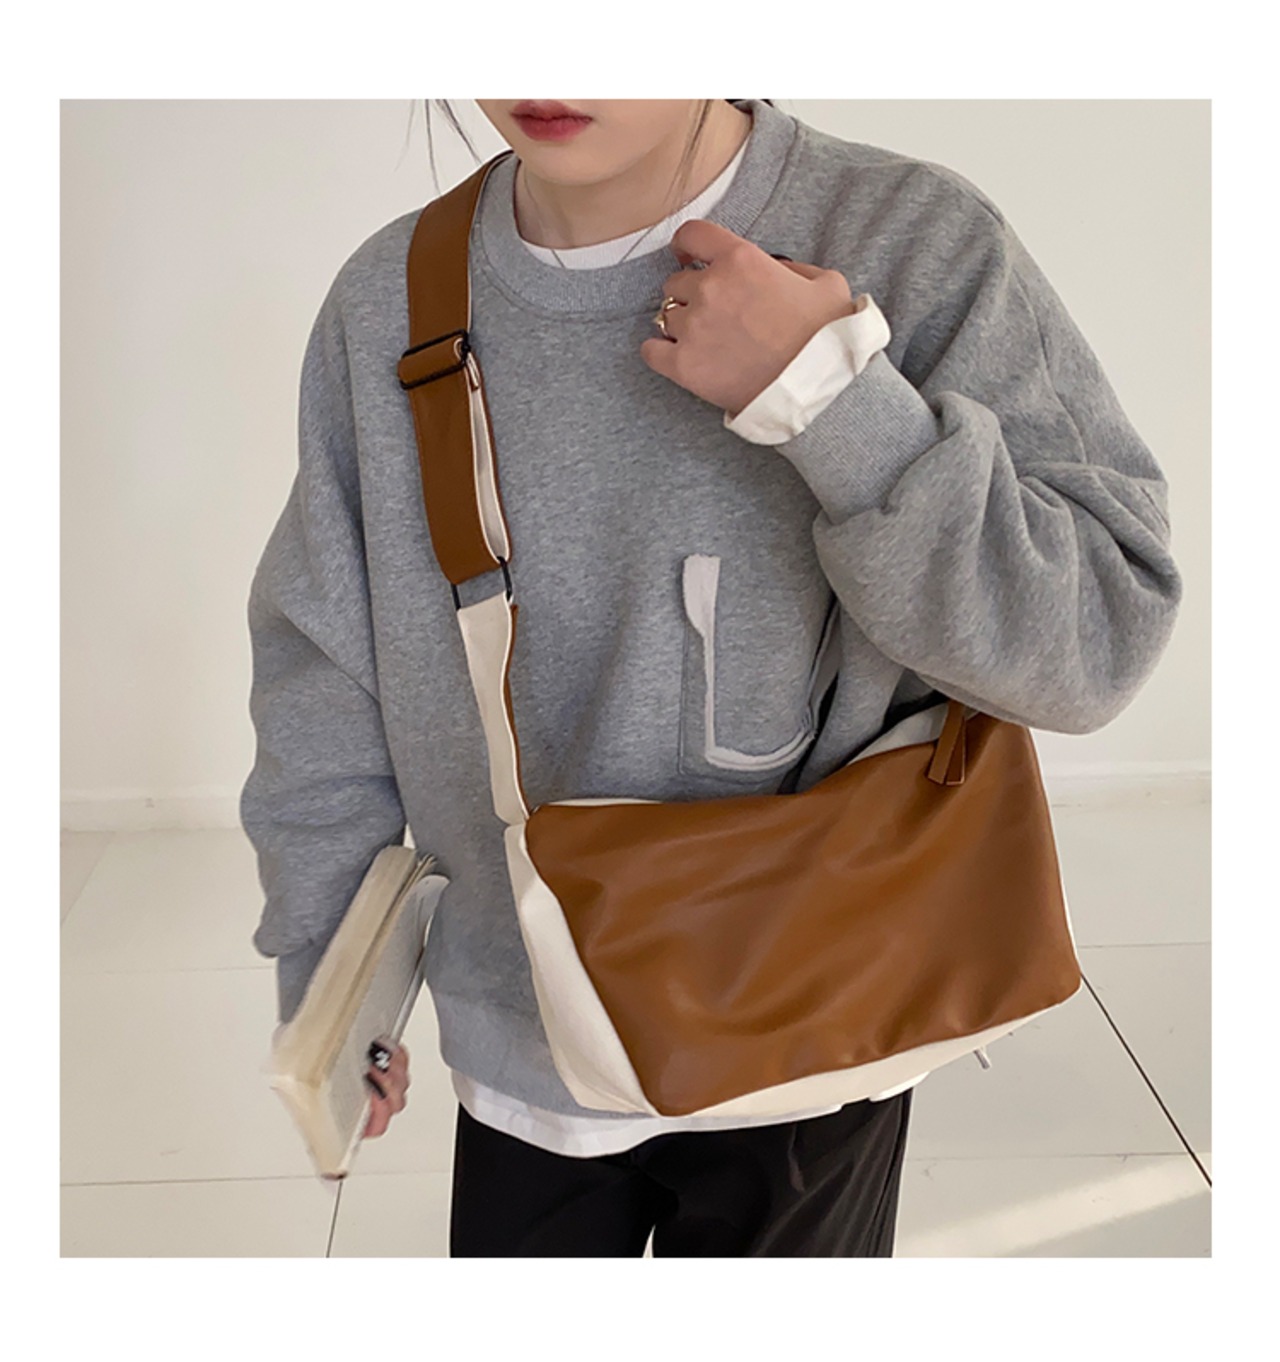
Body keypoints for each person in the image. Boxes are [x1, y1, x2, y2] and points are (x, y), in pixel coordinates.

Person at [240, 99, 1182, 1257]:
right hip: (526, 1036)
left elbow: (1097, 640)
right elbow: (325, 666)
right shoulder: (390, 296)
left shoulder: (910, 238)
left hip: (816, 1021)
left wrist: (829, 399)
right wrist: (330, 971)